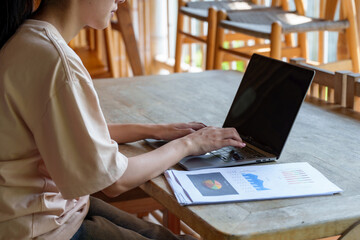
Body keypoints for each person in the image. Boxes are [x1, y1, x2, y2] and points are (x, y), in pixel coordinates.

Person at [0, 0, 245, 239]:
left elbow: (75, 131)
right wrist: (190, 144)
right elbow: (115, 181)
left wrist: (155, 130)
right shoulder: (54, 59)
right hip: (39, 227)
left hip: (43, 211)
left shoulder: (27, 38)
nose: (123, 0)